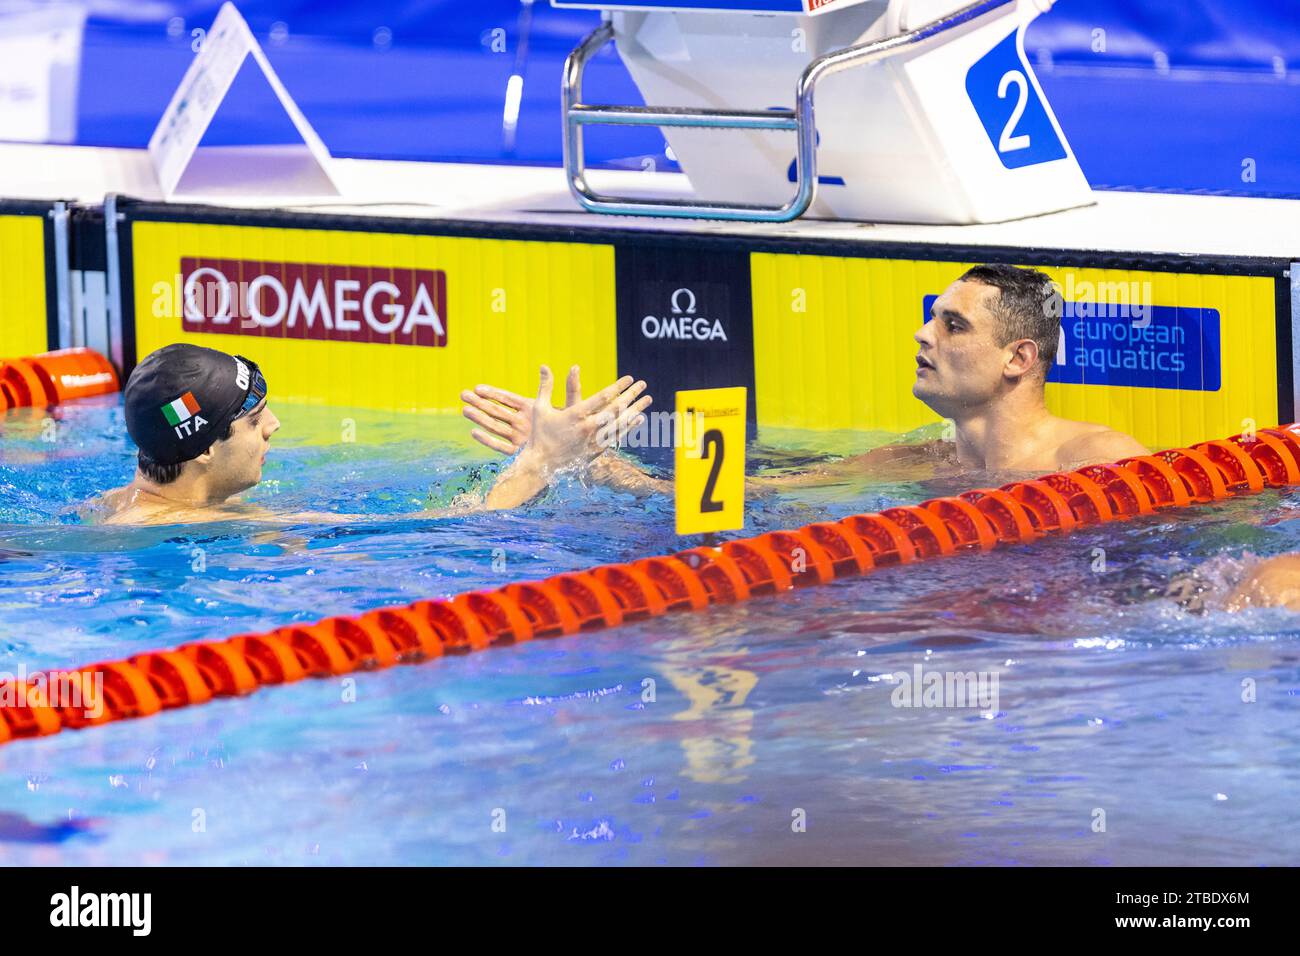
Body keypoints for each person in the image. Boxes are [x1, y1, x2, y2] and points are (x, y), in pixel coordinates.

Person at [460, 263, 1149, 491]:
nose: (922, 333)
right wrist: (570, 454)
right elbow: (750, 492)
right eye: (931, 318)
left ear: (1019, 360)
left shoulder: (1095, 461)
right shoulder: (920, 461)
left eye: (953, 325)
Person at [92, 343, 649, 525]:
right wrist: (539, 463)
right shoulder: (187, 528)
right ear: (206, 448)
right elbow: (433, 536)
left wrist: (569, 463)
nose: (275, 426)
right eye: (255, 419)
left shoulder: (149, 504)